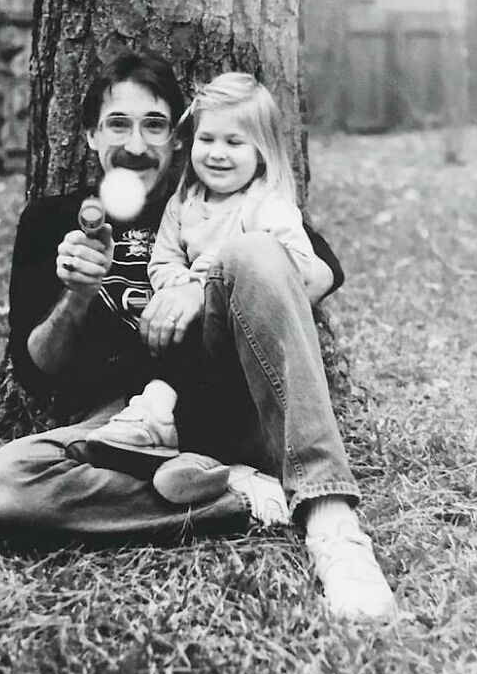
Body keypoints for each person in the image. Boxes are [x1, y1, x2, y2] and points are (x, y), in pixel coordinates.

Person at [0, 50, 396, 621]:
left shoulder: (215, 198)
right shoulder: (52, 221)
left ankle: (331, 521)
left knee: (254, 251)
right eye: (118, 124)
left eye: (154, 125)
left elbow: (315, 272)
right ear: (90, 135)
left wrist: (205, 286)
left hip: (228, 397)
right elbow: (35, 370)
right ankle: (239, 494)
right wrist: (77, 292)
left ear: (177, 140)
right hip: (128, 432)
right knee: (6, 486)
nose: (136, 144)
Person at [85, 73, 320, 461]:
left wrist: (212, 282)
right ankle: (161, 423)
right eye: (207, 139)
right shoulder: (184, 203)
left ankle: (160, 412)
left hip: (243, 338)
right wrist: (180, 288)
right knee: (166, 328)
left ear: (263, 152)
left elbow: (298, 266)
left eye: (234, 142)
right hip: (196, 337)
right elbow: (163, 259)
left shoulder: (265, 204)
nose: (217, 153)